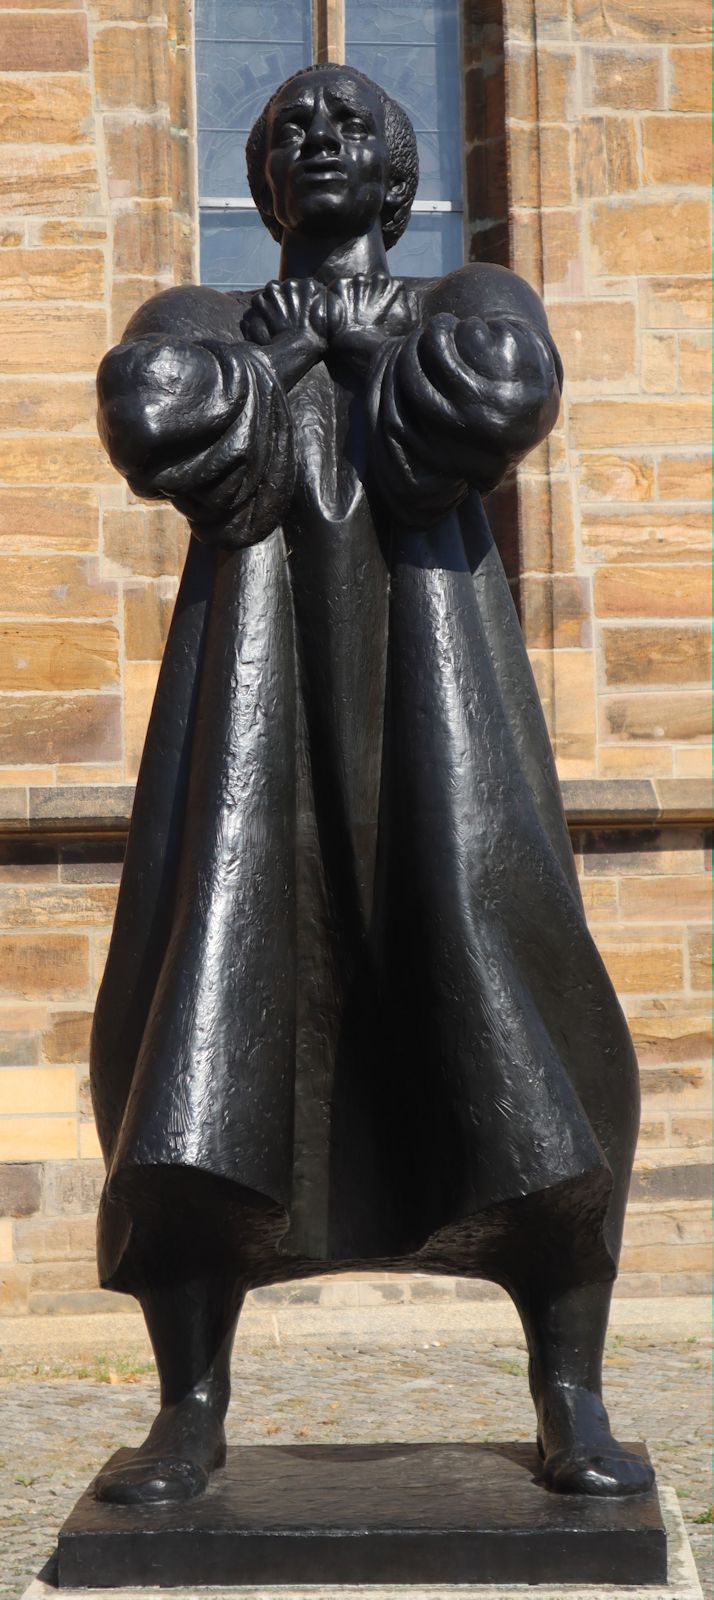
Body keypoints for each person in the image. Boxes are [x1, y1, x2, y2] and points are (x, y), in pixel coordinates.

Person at [92, 62, 653, 1506]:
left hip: (440, 727)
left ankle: (570, 1390)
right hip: (248, 742)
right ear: (263, 184)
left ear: (401, 185)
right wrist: (293, 358)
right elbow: (157, 418)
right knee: (204, 1025)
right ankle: (191, 1404)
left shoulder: (467, 300)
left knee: (513, 1020)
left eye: (353, 125)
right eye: (290, 129)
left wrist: (364, 352)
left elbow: (495, 404)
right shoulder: (207, 319)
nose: (321, 139)